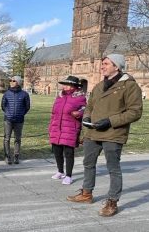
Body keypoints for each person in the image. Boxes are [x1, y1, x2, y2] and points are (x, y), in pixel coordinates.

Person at [67, 54, 143, 217]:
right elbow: (90, 106)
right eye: (102, 64)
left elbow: (135, 112)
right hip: (93, 132)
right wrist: (86, 117)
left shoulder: (130, 86)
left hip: (113, 133)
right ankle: (86, 194)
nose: (102, 66)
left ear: (117, 66)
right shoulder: (99, 85)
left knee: (113, 168)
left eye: (106, 64)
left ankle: (112, 201)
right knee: (88, 163)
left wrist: (110, 121)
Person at [48, 76, 86, 185]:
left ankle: (69, 175)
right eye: (64, 84)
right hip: (56, 128)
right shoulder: (59, 97)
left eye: (67, 84)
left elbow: (85, 110)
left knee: (69, 153)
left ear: (73, 86)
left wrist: (79, 113)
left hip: (70, 129)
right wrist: (51, 127)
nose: (64, 86)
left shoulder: (80, 98)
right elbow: (53, 113)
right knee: (57, 151)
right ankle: (60, 171)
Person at [1, 75, 30, 164]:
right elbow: (3, 106)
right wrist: (8, 113)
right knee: (7, 138)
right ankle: (7, 156)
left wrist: (21, 114)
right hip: (8, 120)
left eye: (13, 81)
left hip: (19, 120)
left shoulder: (25, 94)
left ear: (18, 82)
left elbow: (27, 107)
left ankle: (16, 156)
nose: (11, 82)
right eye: (10, 81)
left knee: (17, 139)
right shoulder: (6, 93)